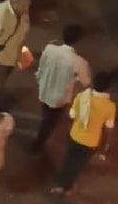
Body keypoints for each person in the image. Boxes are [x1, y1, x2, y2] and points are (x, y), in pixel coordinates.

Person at [51, 72, 116, 197]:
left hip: (75, 135)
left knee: (68, 160)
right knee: (78, 165)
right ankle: (67, 186)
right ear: (108, 88)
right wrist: (104, 148)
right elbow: (108, 129)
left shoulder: (82, 96)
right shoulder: (110, 107)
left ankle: (61, 182)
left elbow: (72, 115)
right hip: (90, 143)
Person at [34, 24, 91, 153]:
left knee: (46, 113)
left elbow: (41, 65)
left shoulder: (49, 49)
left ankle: (40, 137)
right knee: (50, 121)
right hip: (59, 97)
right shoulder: (79, 61)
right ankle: (38, 144)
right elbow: (86, 81)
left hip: (45, 88)